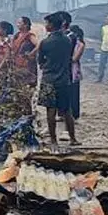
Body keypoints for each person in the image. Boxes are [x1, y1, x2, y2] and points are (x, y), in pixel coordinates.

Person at [38, 12, 76, 145]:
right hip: (64, 79)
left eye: (47, 23)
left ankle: (53, 140)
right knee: (67, 110)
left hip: (49, 79)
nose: (45, 25)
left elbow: (41, 62)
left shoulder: (45, 42)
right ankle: (73, 138)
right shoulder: (68, 40)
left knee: (50, 110)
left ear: (51, 25)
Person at [68, 24, 87, 119]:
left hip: (74, 70)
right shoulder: (71, 42)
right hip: (68, 69)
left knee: (74, 93)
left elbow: (75, 59)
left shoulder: (80, 44)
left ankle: (74, 114)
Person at [12, 16, 38, 80]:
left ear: (26, 25)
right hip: (16, 63)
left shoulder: (29, 36)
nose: (17, 24)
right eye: (17, 23)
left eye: (19, 23)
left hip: (26, 64)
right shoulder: (17, 35)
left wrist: (31, 53)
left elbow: (39, 45)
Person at [96, 14, 108, 85]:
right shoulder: (103, 28)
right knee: (101, 64)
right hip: (104, 48)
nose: (107, 20)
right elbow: (102, 37)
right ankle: (99, 78)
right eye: (107, 19)